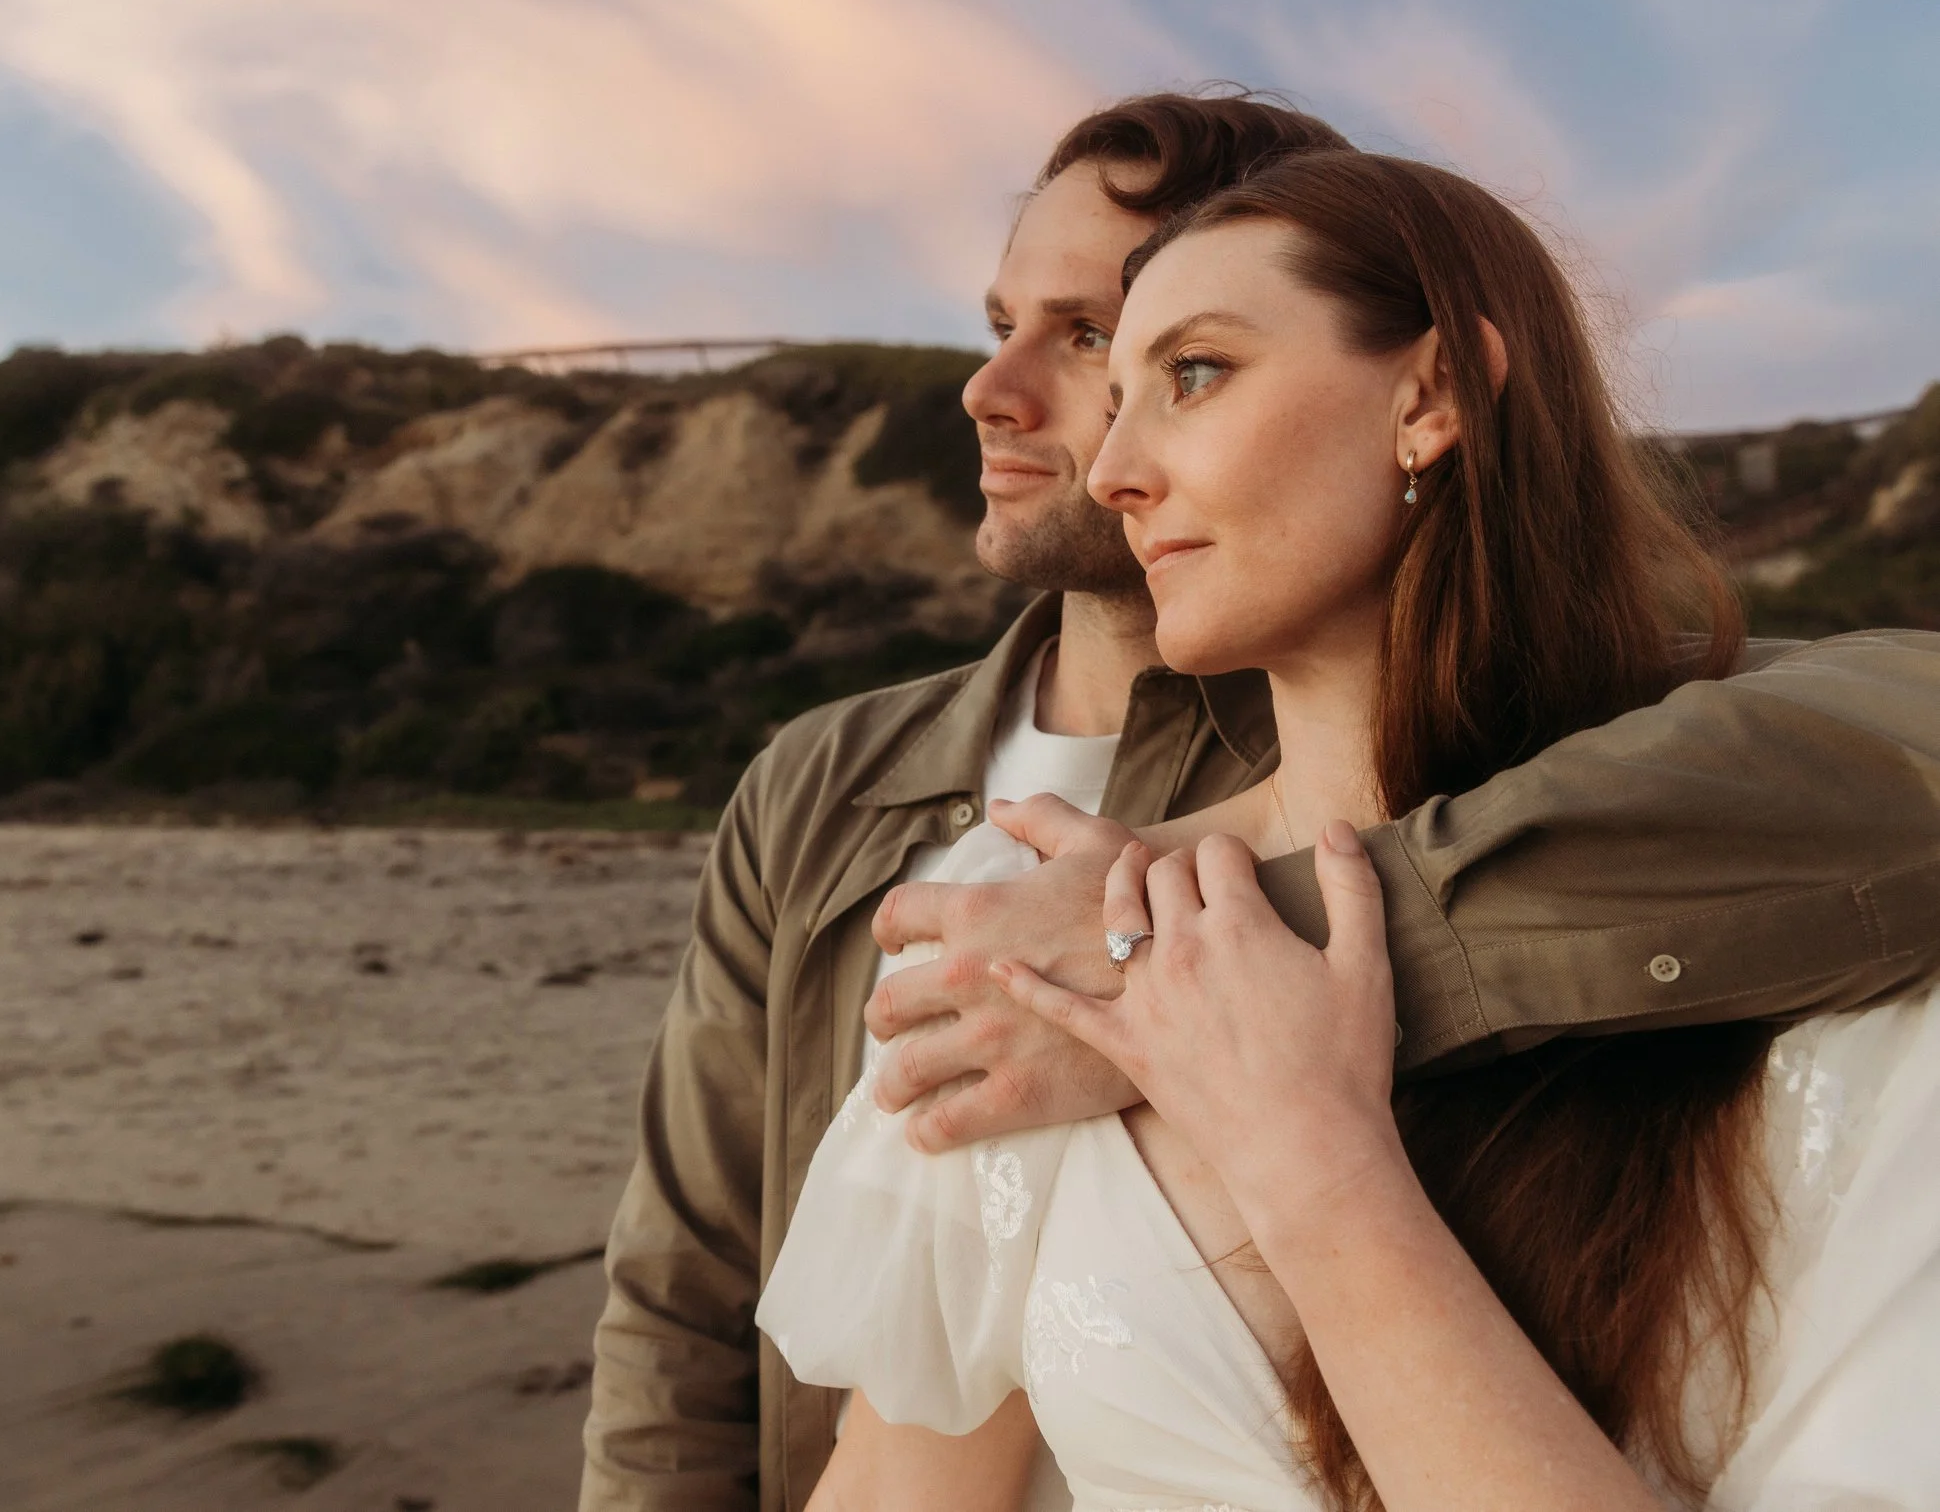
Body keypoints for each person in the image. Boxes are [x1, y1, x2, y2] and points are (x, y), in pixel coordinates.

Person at [578, 93, 1940, 1512]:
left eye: (1191, 368)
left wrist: (1295, 1054)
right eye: (1032, 340)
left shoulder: (1795, 874)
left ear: (1428, 398)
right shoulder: (1028, 916)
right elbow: (727, 1337)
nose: (1108, 464)